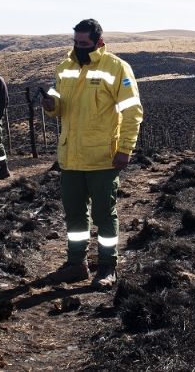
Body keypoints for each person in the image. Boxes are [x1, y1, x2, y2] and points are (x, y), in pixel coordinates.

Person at [41, 18, 143, 290]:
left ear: (99, 42)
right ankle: (77, 264)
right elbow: (58, 106)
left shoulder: (117, 67)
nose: (78, 47)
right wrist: (50, 105)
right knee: (74, 215)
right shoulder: (64, 67)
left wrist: (125, 149)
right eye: (75, 42)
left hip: (102, 159)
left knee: (104, 215)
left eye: (84, 43)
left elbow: (133, 112)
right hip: (71, 158)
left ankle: (108, 266)